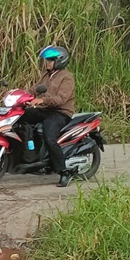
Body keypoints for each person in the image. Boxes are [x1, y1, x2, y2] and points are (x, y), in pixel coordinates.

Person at [20, 45, 76, 187]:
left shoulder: (67, 78)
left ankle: (64, 172)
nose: (47, 63)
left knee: (50, 137)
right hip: (44, 110)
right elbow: (34, 89)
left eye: (50, 60)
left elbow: (61, 99)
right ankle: (30, 155)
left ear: (59, 61)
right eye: (46, 60)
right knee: (20, 117)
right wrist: (21, 97)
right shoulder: (46, 75)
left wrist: (42, 100)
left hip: (60, 113)